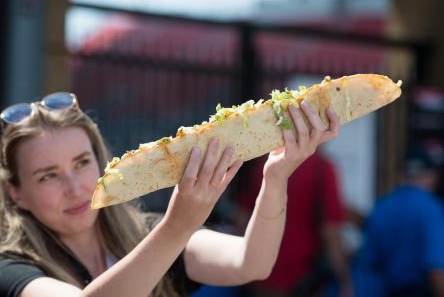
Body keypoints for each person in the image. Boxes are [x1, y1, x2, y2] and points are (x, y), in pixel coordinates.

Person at [0, 92, 339, 297]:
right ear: (16, 194)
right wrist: (177, 226)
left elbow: (251, 263)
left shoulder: (145, 233)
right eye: (48, 176)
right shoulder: (12, 269)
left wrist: (276, 178)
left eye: (82, 163)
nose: (74, 188)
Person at [237, 149, 353, 297]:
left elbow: (242, 222)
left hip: (259, 280)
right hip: (303, 280)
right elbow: (331, 233)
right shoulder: (322, 168)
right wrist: (344, 280)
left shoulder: (262, 164)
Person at [354, 144, 444, 297]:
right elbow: (435, 269)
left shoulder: (382, 206)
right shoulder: (431, 209)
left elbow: (367, 261)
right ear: (431, 175)